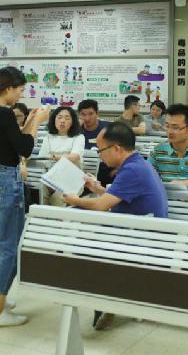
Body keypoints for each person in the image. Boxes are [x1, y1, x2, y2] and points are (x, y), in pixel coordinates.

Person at [63, 122, 168, 331]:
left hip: (142, 237)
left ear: (117, 148)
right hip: (139, 229)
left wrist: (75, 200)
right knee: (86, 242)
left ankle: (104, 300)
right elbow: (118, 197)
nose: (99, 156)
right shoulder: (137, 164)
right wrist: (98, 189)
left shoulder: (132, 170)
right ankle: (106, 299)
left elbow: (100, 206)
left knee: (79, 247)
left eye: (101, 150)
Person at [0, 66, 49, 327]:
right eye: (20, 90)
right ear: (8, 88)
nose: (20, 95)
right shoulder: (3, 112)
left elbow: (9, 142)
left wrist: (29, 122)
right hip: (6, 183)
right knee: (11, 248)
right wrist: (38, 122)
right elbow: (24, 148)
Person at [38, 106, 85, 205]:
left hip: (72, 179)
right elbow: (41, 158)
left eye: (67, 118)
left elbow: (75, 157)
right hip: (51, 177)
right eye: (59, 117)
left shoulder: (78, 137)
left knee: (58, 198)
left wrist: (53, 156)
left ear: (73, 122)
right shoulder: (48, 137)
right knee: (40, 190)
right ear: (54, 120)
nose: (62, 121)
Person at [78, 99, 111, 185]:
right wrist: (75, 128)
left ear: (97, 114)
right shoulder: (76, 130)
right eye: (83, 114)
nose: (87, 118)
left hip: (104, 170)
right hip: (81, 170)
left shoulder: (109, 128)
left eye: (91, 114)